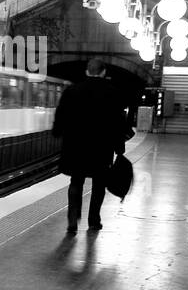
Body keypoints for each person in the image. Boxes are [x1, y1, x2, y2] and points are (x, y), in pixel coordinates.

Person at [51, 57, 129, 234]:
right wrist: (119, 147)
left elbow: (61, 115)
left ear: (87, 71)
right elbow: (118, 122)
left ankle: (72, 219)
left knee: (76, 181)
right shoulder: (113, 93)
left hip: (76, 146)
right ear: (103, 72)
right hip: (101, 148)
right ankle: (94, 219)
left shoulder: (72, 91)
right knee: (99, 184)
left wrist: (57, 132)